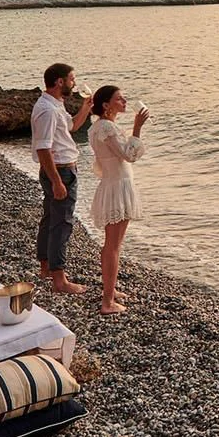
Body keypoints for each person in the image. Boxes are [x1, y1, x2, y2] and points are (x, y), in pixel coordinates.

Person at [32, 63, 94, 293]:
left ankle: (46, 267)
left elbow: (72, 127)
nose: (74, 83)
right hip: (60, 171)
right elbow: (43, 148)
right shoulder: (47, 110)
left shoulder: (55, 105)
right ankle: (60, 280)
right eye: (71, 79)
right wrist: (57, 181)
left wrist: (87, 107)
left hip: (60, 170)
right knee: (62, 223)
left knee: (50, 219)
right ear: (60, 82)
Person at [86, 86, 149, 315]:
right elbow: (128, 156)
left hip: (112, 184)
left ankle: (110, 290)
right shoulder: (106, 127)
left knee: (111, 245)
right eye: (118, 98)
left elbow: (104, 162)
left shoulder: (97, 128)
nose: (124, 100)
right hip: (117, 187)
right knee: (113, 246)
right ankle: (107, 302)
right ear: (106, 105)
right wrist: (137, 128)